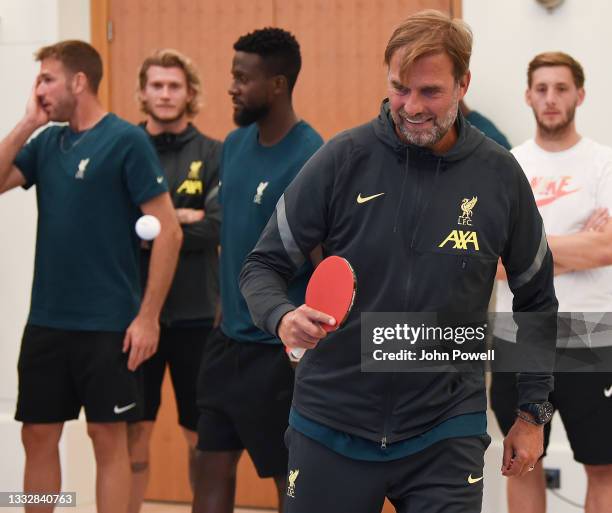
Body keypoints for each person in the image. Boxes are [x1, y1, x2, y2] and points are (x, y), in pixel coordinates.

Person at [240, 10, 557, 513]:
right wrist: (281, 316)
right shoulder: (343, 158)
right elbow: (261, 265)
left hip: (447, 427)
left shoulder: (499, 175)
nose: (411, 107)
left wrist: (533, 412)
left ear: (462, 84)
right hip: (332, 421)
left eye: (429, 92)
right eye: (399, 88)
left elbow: (537, 297)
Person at [0, 40, 182, 513]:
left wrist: (148, 318)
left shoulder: (126, 140)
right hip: (47, 322)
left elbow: (170, 233)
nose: (38, 89)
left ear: (78, 82)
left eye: (46, 79)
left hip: (109, 325)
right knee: (36, 435)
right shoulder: (44, 143)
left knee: (108, 438)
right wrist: (27, 123)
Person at [191, 28, 323, 513]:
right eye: (233, 76)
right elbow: (233, 238)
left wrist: (302, 350)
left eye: (242, 78)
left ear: (278, 85)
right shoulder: (233, 145)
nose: (231, 87)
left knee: (288, 483)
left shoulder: (313, 156)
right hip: (226, 345)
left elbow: (324, 266)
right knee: (209, 466)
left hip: (277, 356)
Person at [492, 52, 612, 513]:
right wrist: (579, 242)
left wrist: (530, 253)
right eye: (541, 88)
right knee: (520, 460)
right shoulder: (507, 165)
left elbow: (605, 250)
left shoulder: (602, 163)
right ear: (527, 96)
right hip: (518, 335)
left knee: (602, 465)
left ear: (579, 95)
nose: (551, 98)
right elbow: (495, 262)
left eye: (561, 88)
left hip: (590, 332)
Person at [127, 49, 221, 513]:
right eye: (157, 85)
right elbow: (114, 226)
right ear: (143, 92)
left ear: (190, 93)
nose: (165, 94)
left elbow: (219, 225)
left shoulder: (213, 153)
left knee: (198, 434)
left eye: (174, 86)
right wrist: (183, 219)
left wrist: (163, 228)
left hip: (196, 316)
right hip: (133, 318)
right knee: (134, 430)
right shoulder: (125, 146)